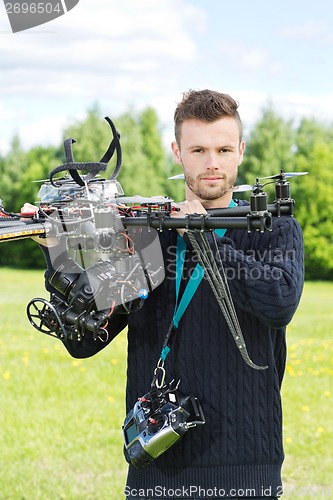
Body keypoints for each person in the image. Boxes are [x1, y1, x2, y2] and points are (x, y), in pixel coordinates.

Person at [23, 89, 304, 499]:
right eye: (198, 150)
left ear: (241, 151)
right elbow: (83, 342)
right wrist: (62, 258)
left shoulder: (273, 228)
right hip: (157, 464)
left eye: (224, 149)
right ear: (178, 152)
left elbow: (279, 302)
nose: (212, 163)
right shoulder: (148, 238)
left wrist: (205, 236)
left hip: (248, 465)